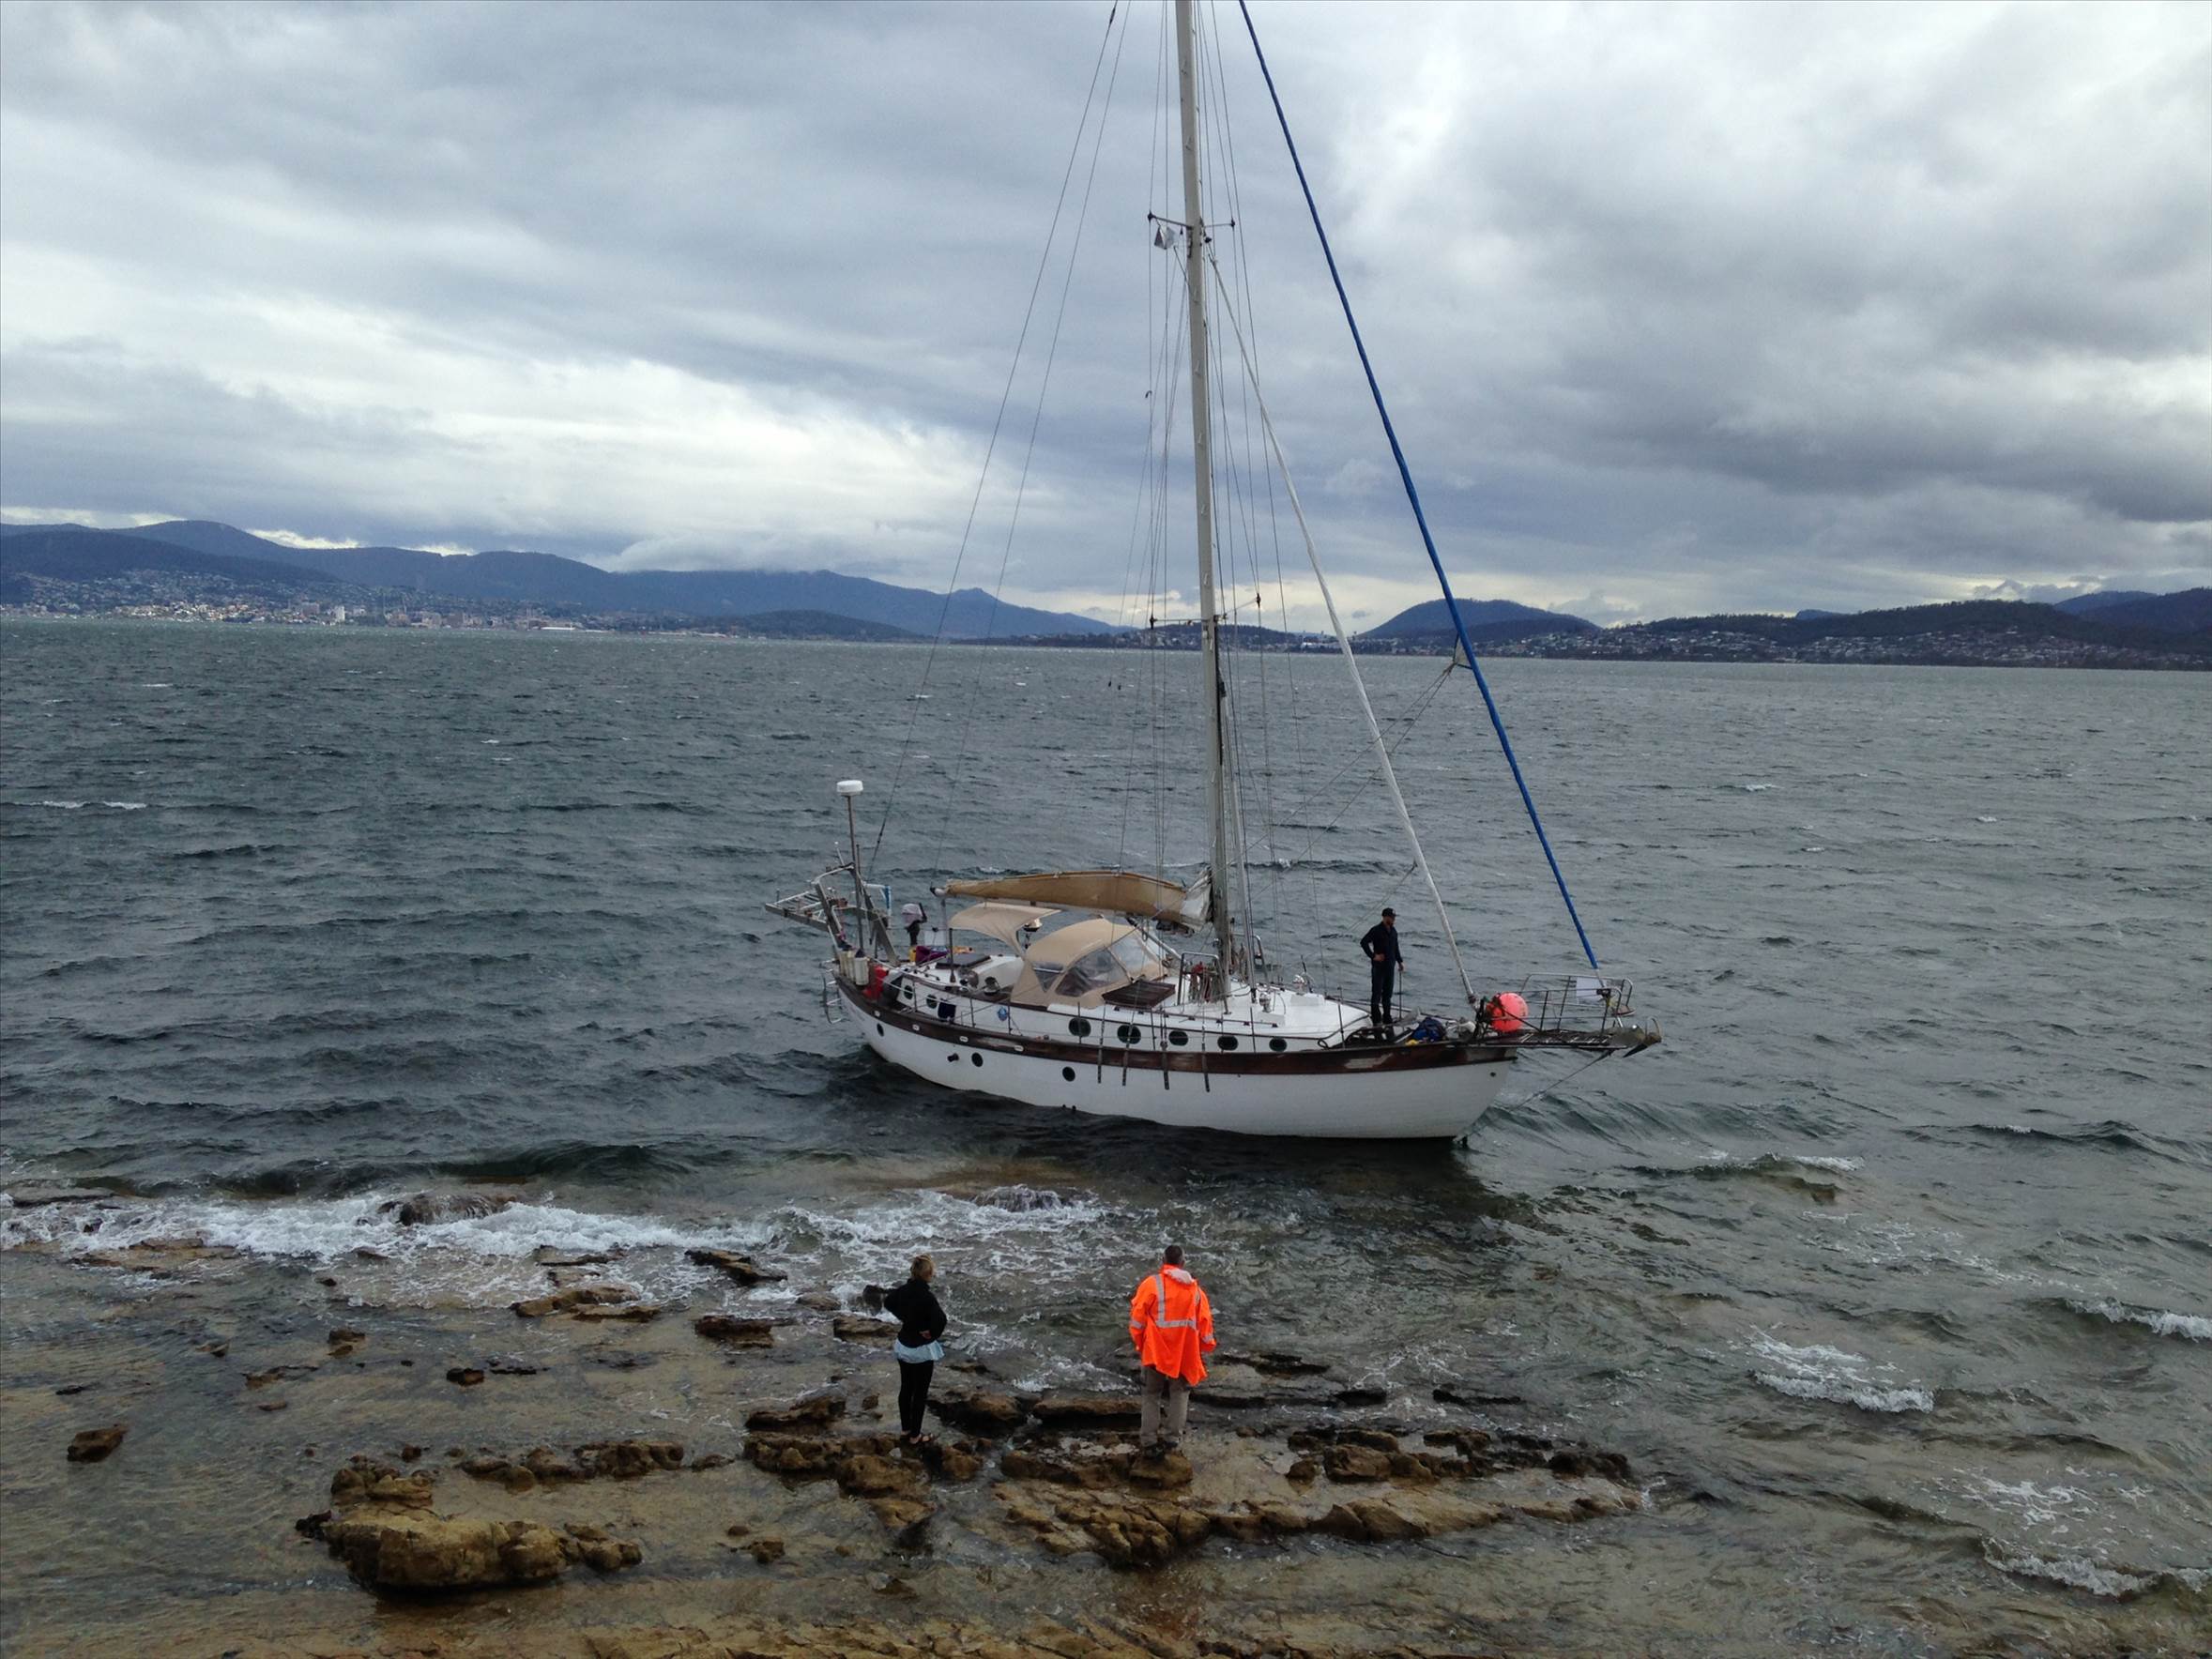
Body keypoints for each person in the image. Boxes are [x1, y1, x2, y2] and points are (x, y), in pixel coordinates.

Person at [1127, 1244, 1215, 1455]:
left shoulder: (1151, 1284)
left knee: (1151, 1394)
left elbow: (1137, 1320)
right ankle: (1172, 1439)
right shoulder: (1196, 1292)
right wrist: (1203, 1348)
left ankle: (1149, 1441)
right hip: (1184, 1352)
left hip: (1156, 1350)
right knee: (1180, 1394)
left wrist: (1140, 1344)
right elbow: (1205, 1326)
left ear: (1163, 1261)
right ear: (1183, 1262)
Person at [881, 1254, 947, 1445]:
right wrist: (930, 1333)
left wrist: (907, 1319)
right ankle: (915, 1436)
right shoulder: (928, 1297)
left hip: (903, 1347)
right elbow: (941, 1320)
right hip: (920, 1351)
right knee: (920, 1394)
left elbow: (888, 1302)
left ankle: (905, 1429)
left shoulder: (903, 1290)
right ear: (928, 1274)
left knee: (906, 1388)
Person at [1358, 906, 1403, 1035]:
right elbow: (1363, 942)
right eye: (1391, 917)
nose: (1393, 920)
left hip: (1390, 967)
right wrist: (1373, 956)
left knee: (1388, 994)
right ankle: (1377, 1019)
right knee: (1377, 993)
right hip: (1379, 967)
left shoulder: (1393, 931)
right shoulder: (1376, 930)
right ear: (1385, 917)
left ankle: (1387, 1017)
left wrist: (1400, 961)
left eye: (1394, 918)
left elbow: (1395, 947)